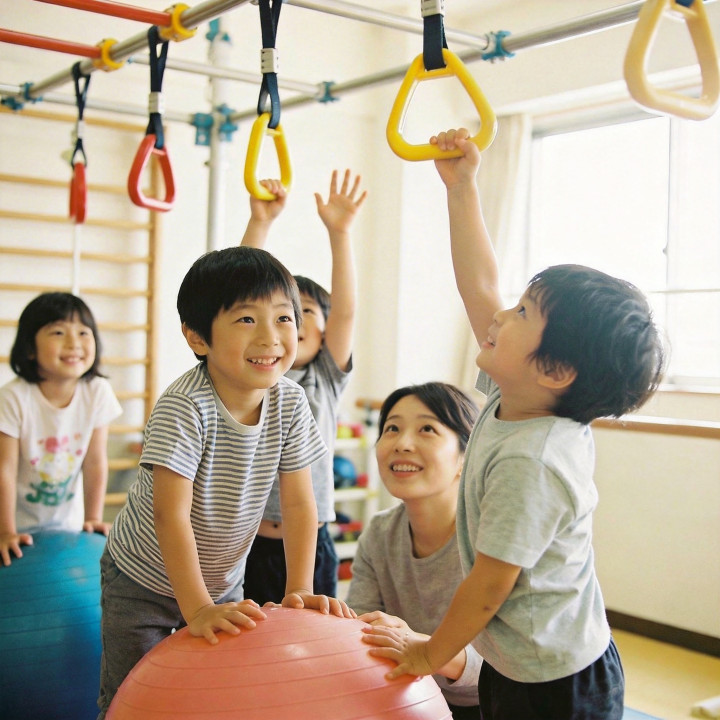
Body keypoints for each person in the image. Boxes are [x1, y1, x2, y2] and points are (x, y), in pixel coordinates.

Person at [362, 128, 666, 720]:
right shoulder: (522, 395)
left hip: (558, 682)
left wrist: (428, 654)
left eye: (522, 311)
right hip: (514, 661)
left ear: (554, 369)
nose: (500, 314)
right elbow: (478, 285)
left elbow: (487, 586)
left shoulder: (534, 458)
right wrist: (462, 187)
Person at [97, 247, 354, 718]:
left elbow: (300, 504)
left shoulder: (291, 402)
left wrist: (298, 588)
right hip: (142, 579)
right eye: (246, 320)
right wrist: (195, 609)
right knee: (132, 694)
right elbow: (169, 515)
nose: (270, 337)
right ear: (198, 337)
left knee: (216, 693)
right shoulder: (185, 406)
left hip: (222, 581)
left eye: (283, 318)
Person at [240, 169, 367, 602]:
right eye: (282, 312)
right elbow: (237, 294)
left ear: (326, 329)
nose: (291, 321)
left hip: (310, 546)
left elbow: (346, 311)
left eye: (305, 311)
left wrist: (340, 233)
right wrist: (260, 222)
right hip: (245, 543)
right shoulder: (248, 374)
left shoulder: (323, 378)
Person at [346, 381, 483, 719]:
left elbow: (515, 668)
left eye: (427, 429)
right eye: (392, 429)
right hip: (411, 697)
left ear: (467, 456)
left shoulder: (491, 540)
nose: (402, 444)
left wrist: (425, 650)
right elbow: (360, 633)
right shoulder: (380, 534)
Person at [0, 292, 121, 567]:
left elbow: (95, 462)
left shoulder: (97, 392)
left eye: (83, 333)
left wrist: (92, 518)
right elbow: (4, 469)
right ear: (29, 349)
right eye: (58, 332)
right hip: (15, 524)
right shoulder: (13, 398)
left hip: (67, 528)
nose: (73, 343)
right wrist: (5, 531)